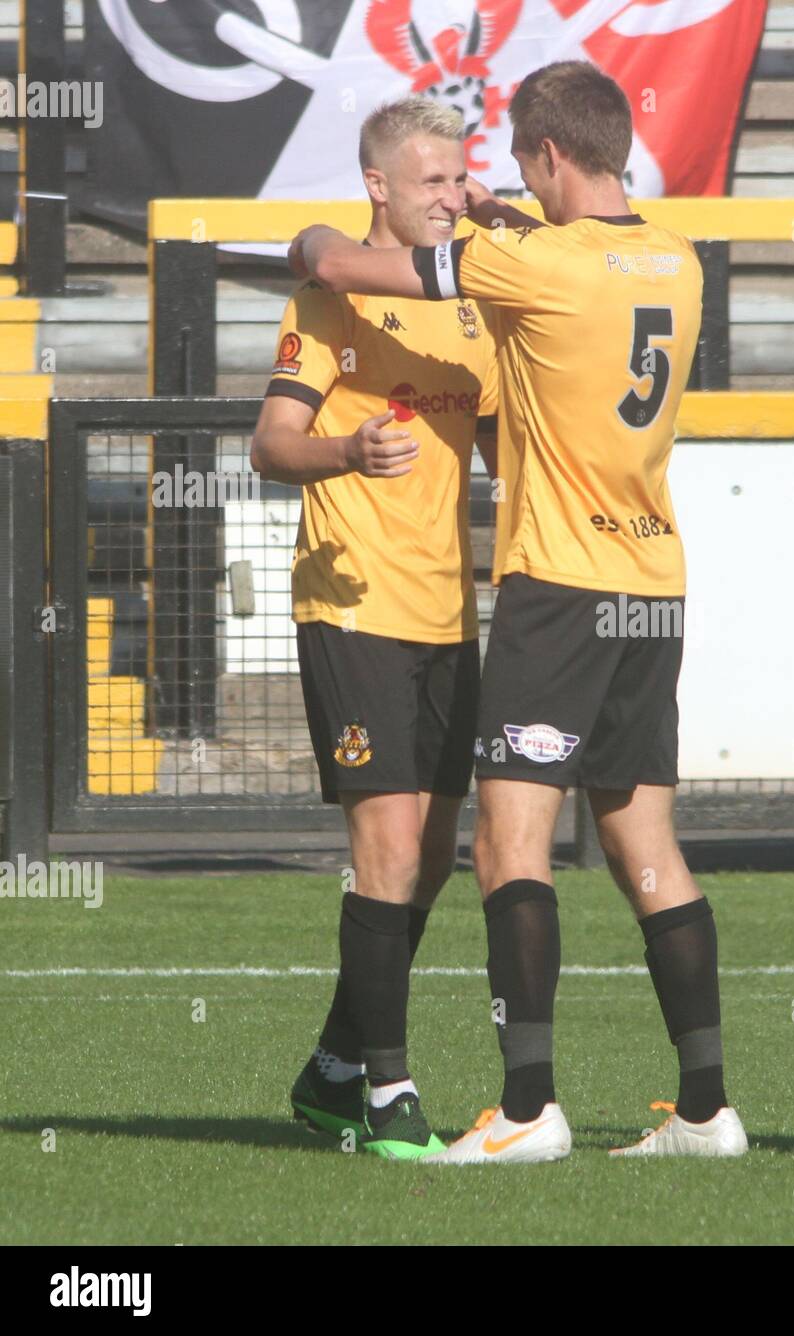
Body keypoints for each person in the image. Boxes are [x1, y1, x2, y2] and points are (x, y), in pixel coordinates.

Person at [290, 60, 747, 1164]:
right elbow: (563, 262)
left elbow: (343, 260)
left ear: (544, 157)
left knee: (506, 844)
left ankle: (530, 1106)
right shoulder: (676, 260)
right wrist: (511, 216)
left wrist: (311, 244)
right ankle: (704, 1109)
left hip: (562, 586)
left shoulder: (530, 265)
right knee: (647, 848)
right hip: (655, 581)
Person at [251, 97, 499, 1161]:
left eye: (460, 177)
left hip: (448, 607)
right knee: (386, 846)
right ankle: (390, 1093)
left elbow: (496, 445)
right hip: (351, 604)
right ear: (380, 188)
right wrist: (348, 450)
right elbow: (271, 443)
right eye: (432, 181)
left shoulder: (475, 294)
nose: (451, 196)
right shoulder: (330, 292)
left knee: (434, 853)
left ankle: (335, 1063)